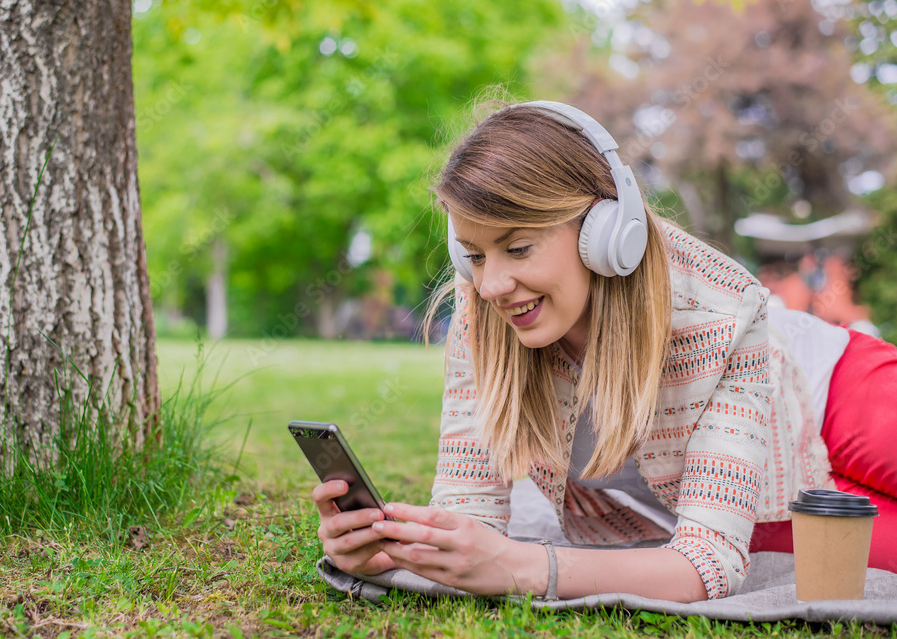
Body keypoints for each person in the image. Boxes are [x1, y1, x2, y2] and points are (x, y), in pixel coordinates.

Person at [311, 100, 897, 602]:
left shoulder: (723, 311)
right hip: (771, 485)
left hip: (830, 387)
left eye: (517, 248)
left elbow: (704, 566)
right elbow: (475, 522)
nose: (490, 286)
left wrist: (524, 567)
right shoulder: (483, 316)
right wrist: (389, 555)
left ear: (606, 235)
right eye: (477, 255)